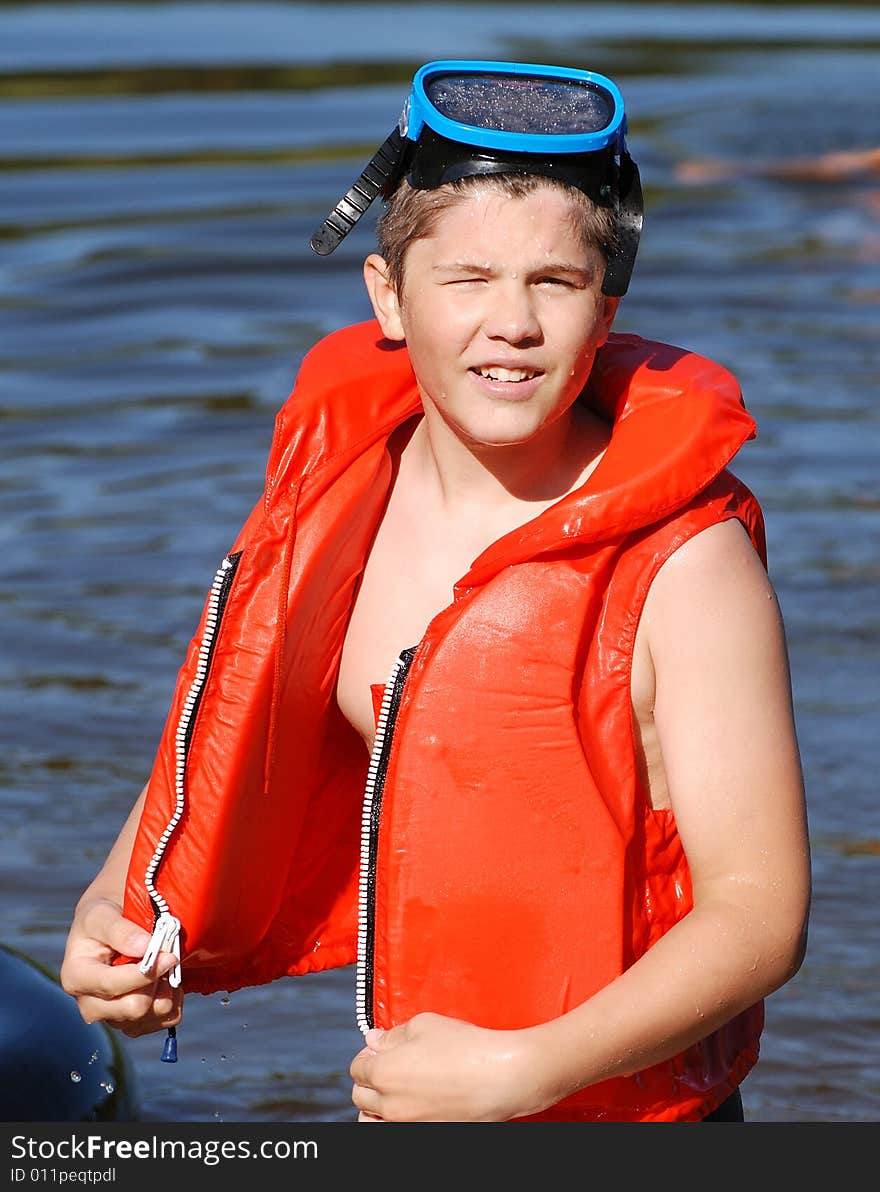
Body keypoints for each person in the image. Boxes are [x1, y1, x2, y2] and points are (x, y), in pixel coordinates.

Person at [60, 60, 811, 1122]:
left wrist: (528, 1067)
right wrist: (118, 898)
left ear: (605, 305)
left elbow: (759, 916)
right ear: (389, 297)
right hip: (409, 1094)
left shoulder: (686, 565)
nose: (510, 322)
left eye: (553, 281)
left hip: (612, 1112)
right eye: (466, 279)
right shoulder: (340, 489)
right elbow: (236, 713)